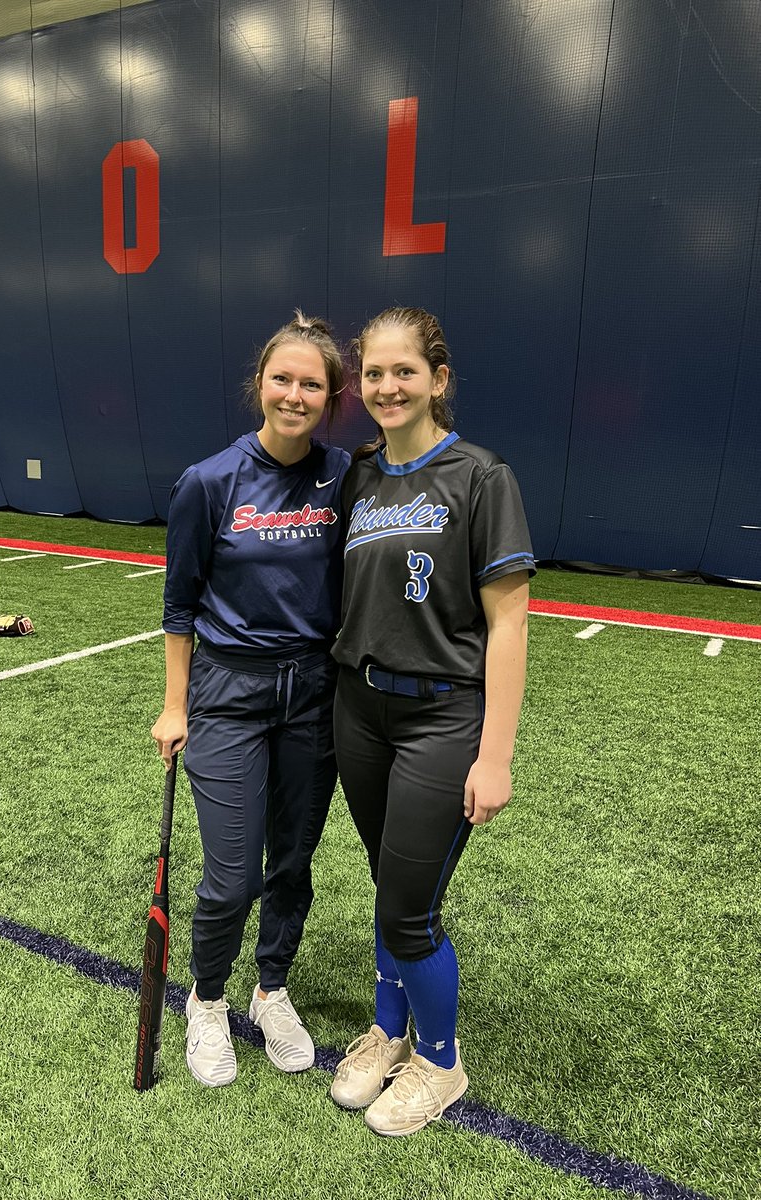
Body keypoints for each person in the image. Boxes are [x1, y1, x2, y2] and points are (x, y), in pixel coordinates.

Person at [328, 307, 534, 1136]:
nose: (386, 386)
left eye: (404, 371)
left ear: (438, 380)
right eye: (373, 373)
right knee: (389, 888)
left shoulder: (482, 477)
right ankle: (389, 1030)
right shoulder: (362, 478)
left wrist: (496, 756)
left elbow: (511, 624)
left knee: (410, 907)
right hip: (359, 709)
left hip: (443, 720)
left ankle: (441, 1063)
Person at [151, 312, 349, 1088]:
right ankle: (206, 1000)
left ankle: (271, 990)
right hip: (228, 693)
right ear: (258, 385)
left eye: (311, 384)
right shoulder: (209, 482)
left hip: (314, 695)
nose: (294, 394)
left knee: (292, 863)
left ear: (331, 396)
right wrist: (176, 706)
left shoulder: (344, 474)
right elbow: (178, 607)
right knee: (231, 877)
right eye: (282, 378)